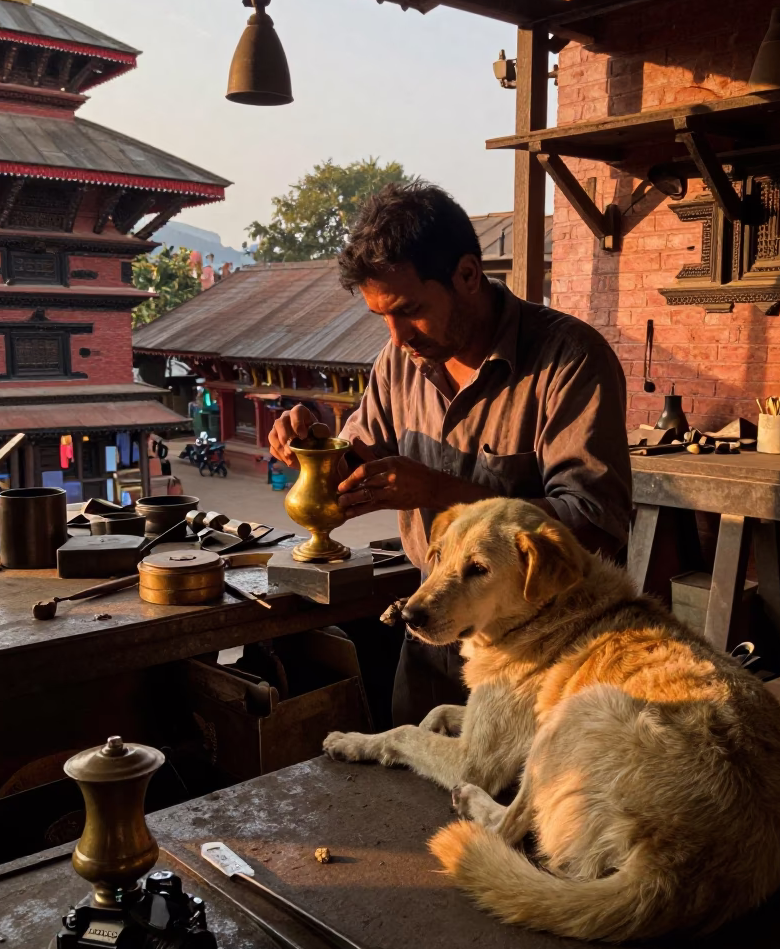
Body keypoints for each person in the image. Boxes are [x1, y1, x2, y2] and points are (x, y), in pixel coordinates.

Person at [269, 182, 632, 726]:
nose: (397, 336)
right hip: (431, 629)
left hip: (545, 652)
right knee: (410, 766)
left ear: (467, 274)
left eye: (410, 310)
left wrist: (439, 492)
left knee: (520, 782)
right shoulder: (399, 362)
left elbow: (596, 526)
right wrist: (316, 449)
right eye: (382, 317)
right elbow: (357, 463)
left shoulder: (570, 361)